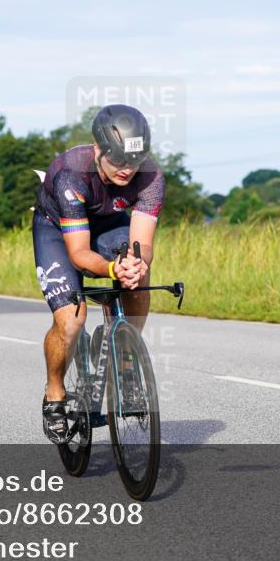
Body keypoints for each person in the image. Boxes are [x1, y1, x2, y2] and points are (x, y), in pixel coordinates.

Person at [31, 105, 165, 443]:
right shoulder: (71, 174)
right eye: (117, 160)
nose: (127, 169)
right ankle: (54, 392)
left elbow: (144, 243)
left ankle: (126, 359)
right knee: (71, 320)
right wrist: (110, 268)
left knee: (137, 271)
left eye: (134, 160)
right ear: (97, 150)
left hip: (108, 225)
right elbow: (78, 254)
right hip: (57, 230)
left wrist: (136, 264)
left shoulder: (150, 176)